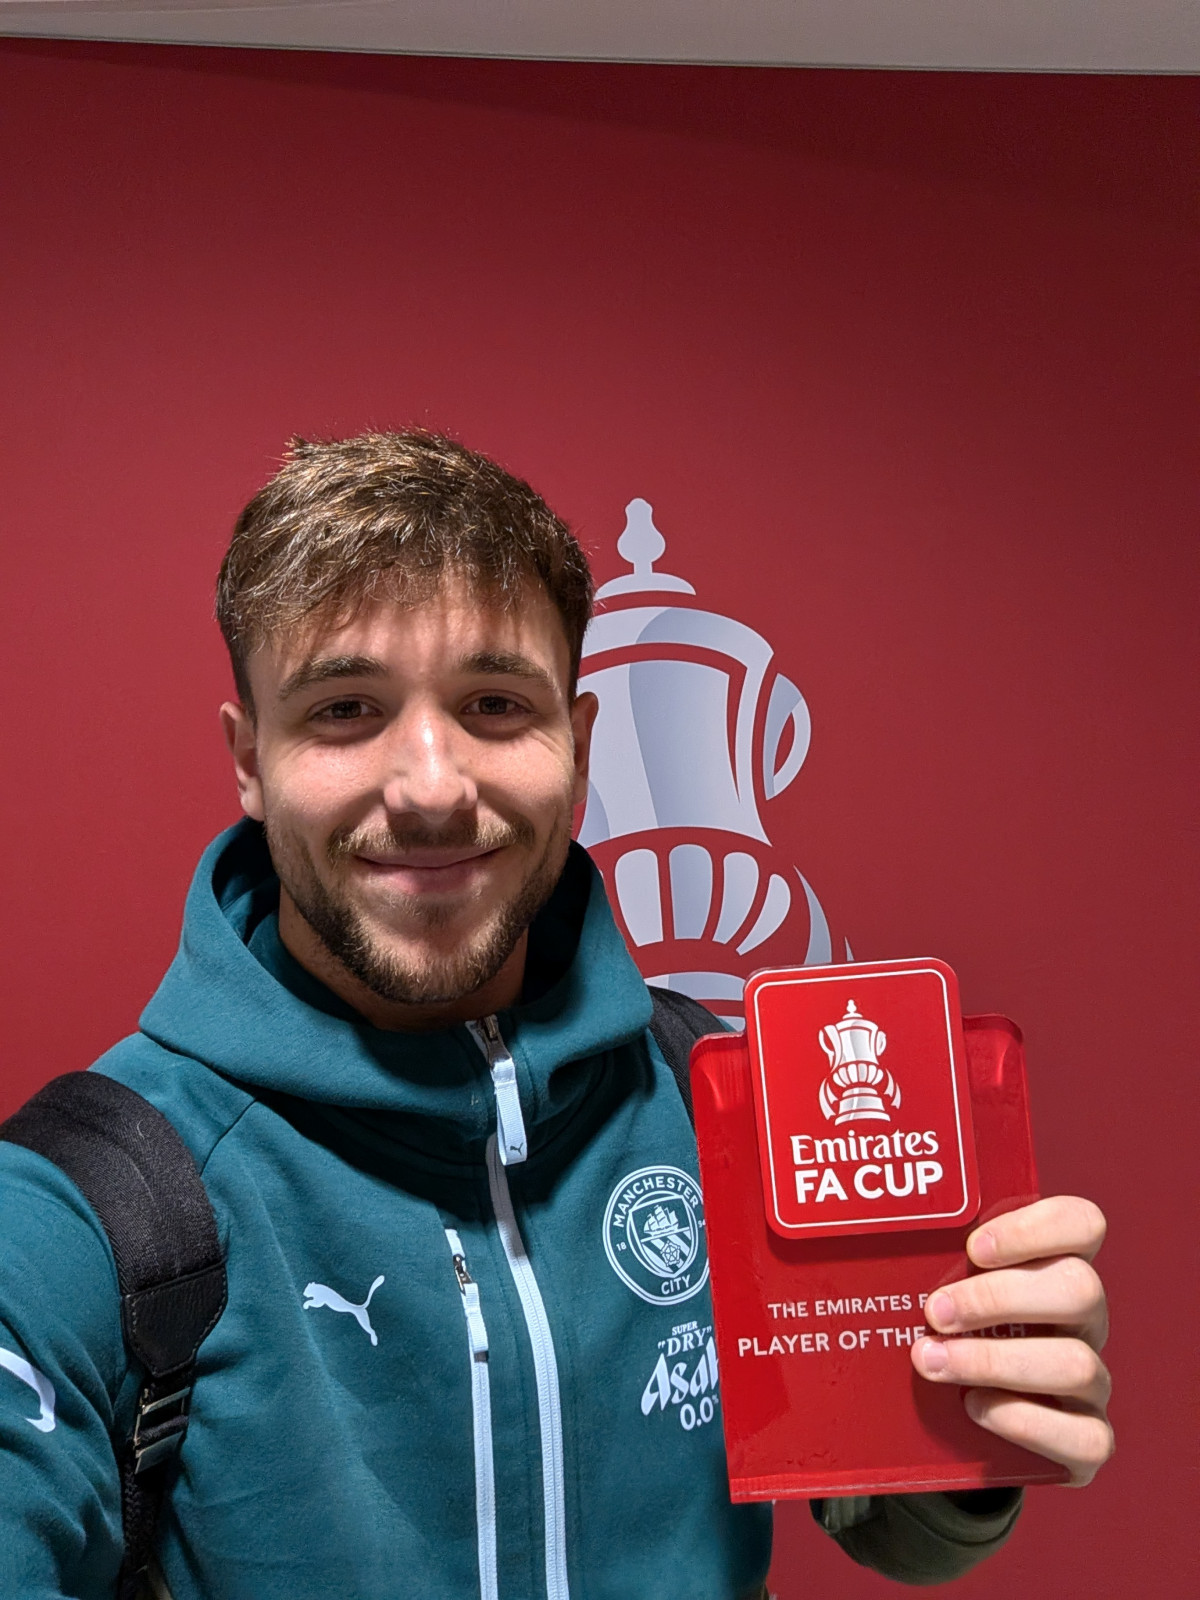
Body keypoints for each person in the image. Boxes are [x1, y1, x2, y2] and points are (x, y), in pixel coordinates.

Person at [0, 432, 1113, 1599]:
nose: (431, 784)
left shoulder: (721, 1096)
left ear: (578, 747)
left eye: (492, 703)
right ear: (250, 759)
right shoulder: (86, 1209)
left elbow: (894, 1515)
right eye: (344, 709)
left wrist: (972, 1422)